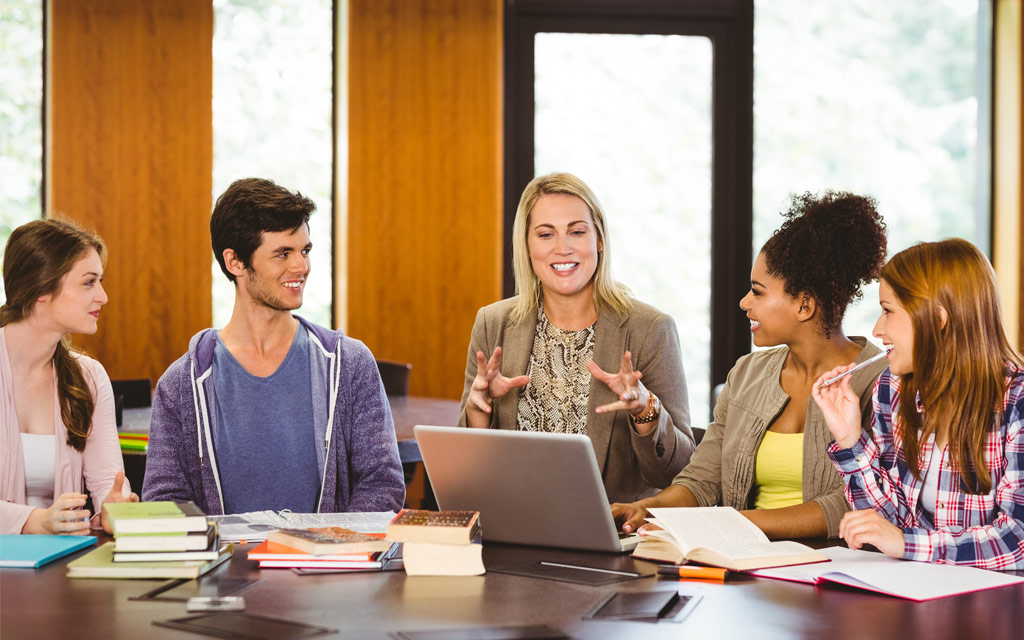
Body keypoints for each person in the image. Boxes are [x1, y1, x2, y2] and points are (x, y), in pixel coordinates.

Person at [612, 191, 888, 539]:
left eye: (758, 292)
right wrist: (646, 509)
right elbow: (702, 481)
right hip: (742, 562)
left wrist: (732, 525)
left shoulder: (880, 382)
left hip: (830, 570)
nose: (744, 303)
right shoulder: (746, 374)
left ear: (804, 305)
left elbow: (853, 504)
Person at [142, 178, 404, 514]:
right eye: (283, 254)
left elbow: (382, 483)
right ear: (235, 262)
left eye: (304, 251)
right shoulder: (180, 384)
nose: (301, 267)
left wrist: (329, 550)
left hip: (327, 564)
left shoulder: (350, 364)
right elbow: (165, 501)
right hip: (223, 566)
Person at [458, 172, 695, 503]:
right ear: (526, 245)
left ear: (599, 240)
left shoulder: (650, 329)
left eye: (577, 232)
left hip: (613, 536)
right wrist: (479, 414)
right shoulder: (492, 323)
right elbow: (469, 477)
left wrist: (646, 413)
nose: (563, 248)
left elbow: (679, 473)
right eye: (545, 234)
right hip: (513, 524)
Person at [812, 238, 1024, 569]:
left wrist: (906, 542)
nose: (877, 329)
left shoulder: (1017, 401)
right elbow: (888, 524)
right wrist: (850, 439)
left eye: (888, 311)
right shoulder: (892, 390)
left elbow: (1017, 540)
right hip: (918, 592)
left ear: (937, 318)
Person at [1, 219, 138, 535]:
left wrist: (114, 506)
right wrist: (34, 521)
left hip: (57, 568)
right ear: (42, 290)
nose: (103, 296)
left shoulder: (88, 377)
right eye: (89, 282)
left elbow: (108, 481)